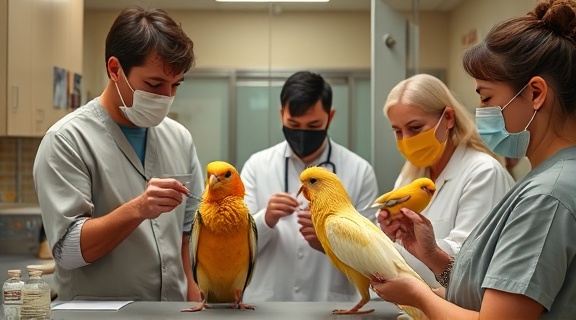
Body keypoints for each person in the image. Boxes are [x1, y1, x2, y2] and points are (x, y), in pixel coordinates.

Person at [371, 0, 576, 318]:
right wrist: (433, 255)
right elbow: (491, 292)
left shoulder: (548, 196)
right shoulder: (546, 181)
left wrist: (419, 295)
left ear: (536, 93)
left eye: (486, 96)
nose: (482, 110)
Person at [33, 6, 204, 301]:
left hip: (169, 311)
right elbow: (69, 251)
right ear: (115, 69)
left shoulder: (179, 138)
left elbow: (190, 231)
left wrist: (196, 297)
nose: (166, 97)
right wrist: (138, 209)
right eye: (154, 84)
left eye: (175, 85)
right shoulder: (67, 140)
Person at [240, 71, 379, 302]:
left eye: (313, 124)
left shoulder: (359, 171)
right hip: (269, 303)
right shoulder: (257, 166)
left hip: (330, 302)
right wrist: (266, 219)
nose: (302, 133)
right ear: (281, 114)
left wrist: (330, 242)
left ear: (330, 117)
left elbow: (371, 254)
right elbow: (237, 246)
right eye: (293, 124)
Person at [377, 74, 514, 288]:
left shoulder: (482, 173)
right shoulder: (409, 176)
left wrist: (427, 251)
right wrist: (390, 237)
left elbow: (471, 269)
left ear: (448, 118)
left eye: (414, 128)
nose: (406, 140)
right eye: (397, 131)